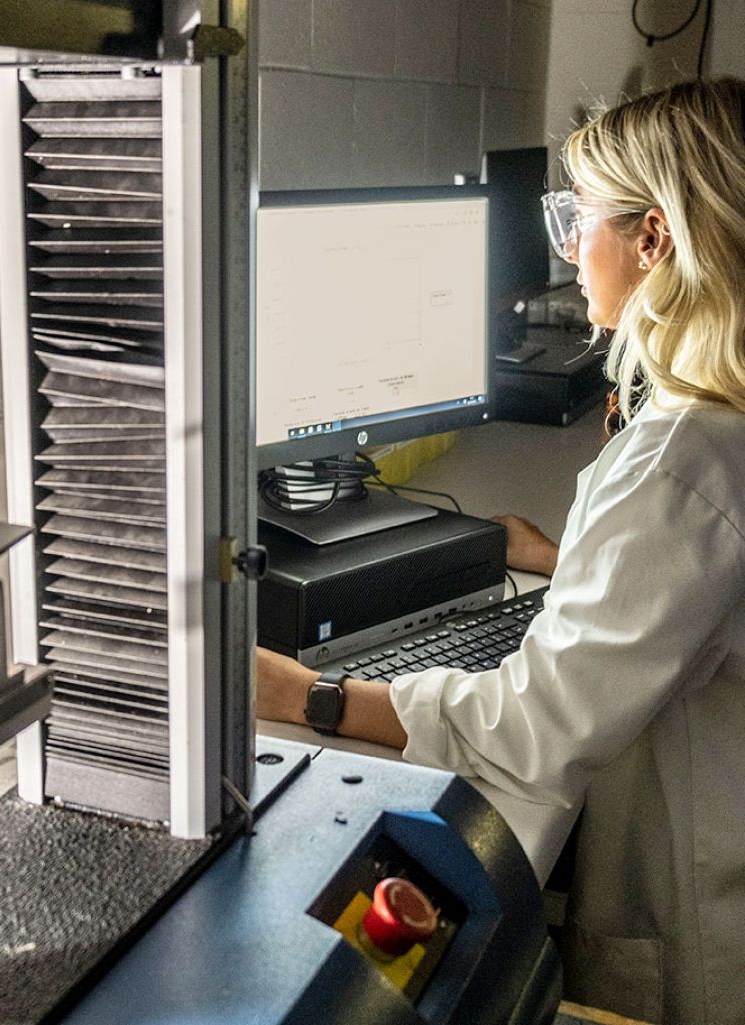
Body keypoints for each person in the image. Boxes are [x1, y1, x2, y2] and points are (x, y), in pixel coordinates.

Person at [257, 77, 745, 1025]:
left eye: (579, 217)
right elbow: (704, 589)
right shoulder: (715, 432)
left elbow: (535, 727)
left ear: (654, 240)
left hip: (702, 921)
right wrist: (579, 564)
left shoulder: (683, 461)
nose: (569, 248)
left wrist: (308, 696)